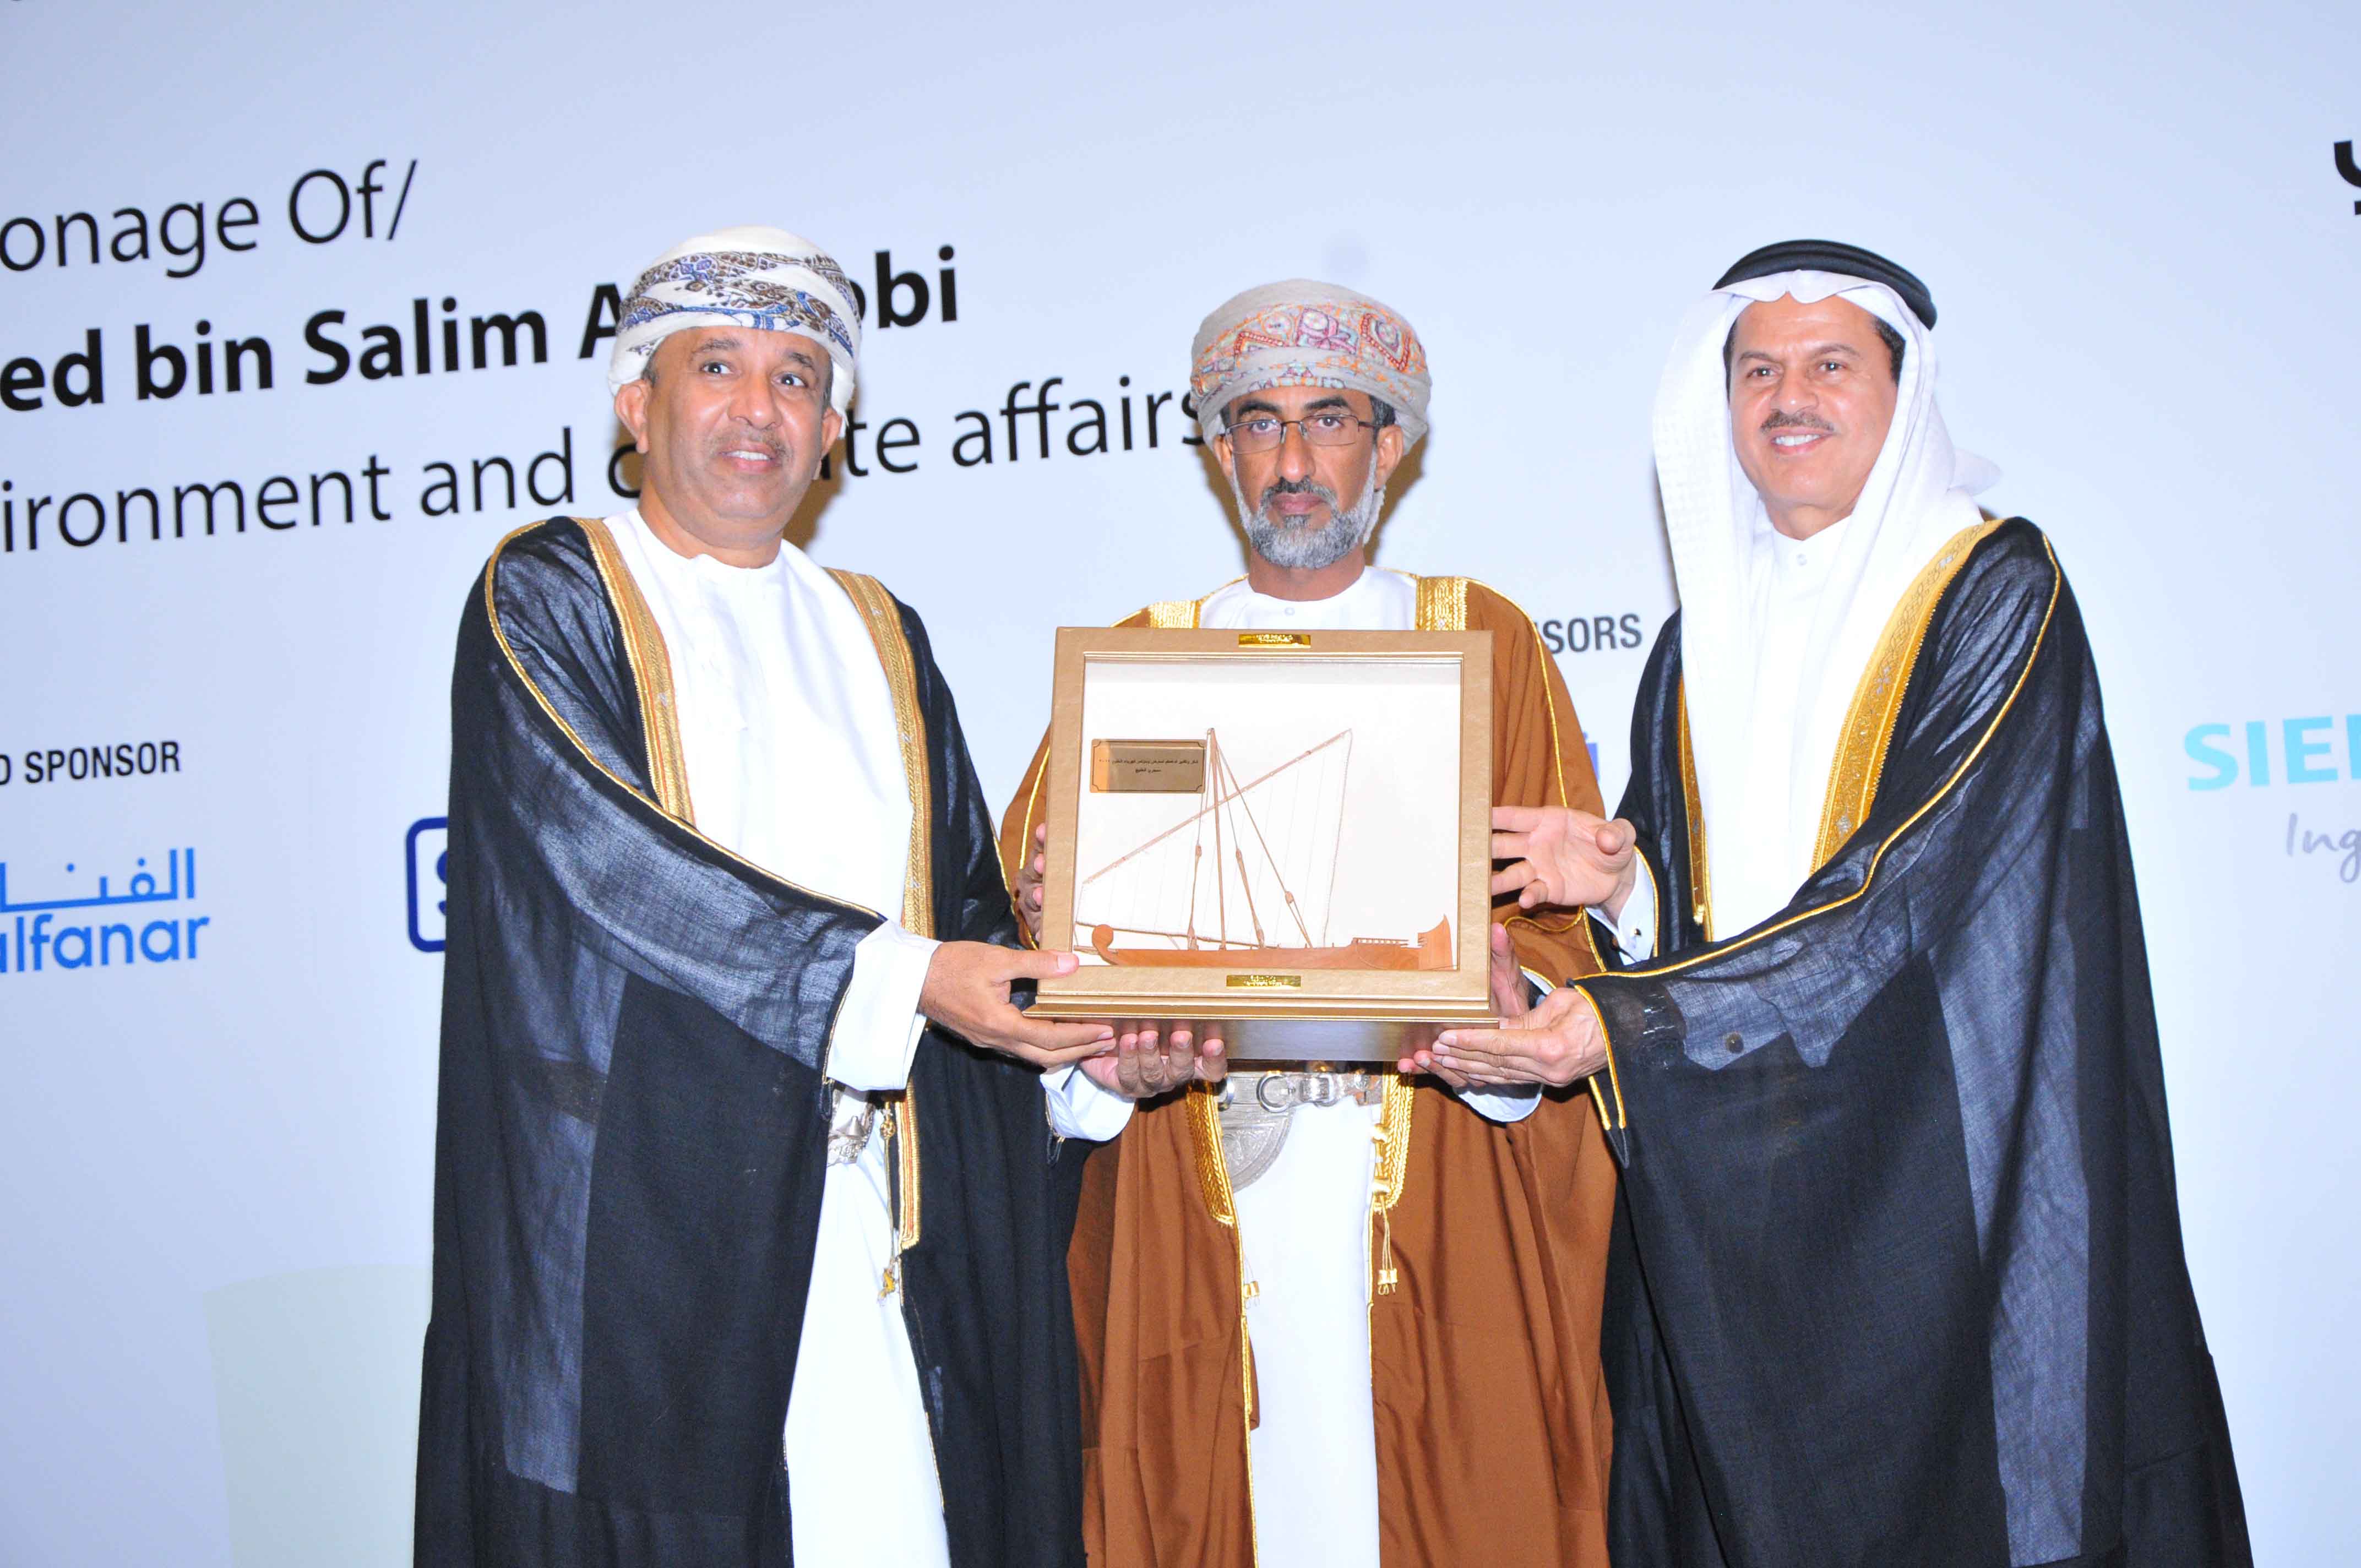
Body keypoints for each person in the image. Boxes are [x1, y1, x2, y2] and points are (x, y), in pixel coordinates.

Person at [1430, 240, 2252, 1566]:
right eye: (1756, 371)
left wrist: (1620, 1024)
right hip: (1739, 1191)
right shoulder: (1695, 639)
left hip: (1932, 1181)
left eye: (1827, 364)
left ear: (1899, 389)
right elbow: (1716, 919)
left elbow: (1906, 891)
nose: (1787, 397)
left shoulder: (1992, 587)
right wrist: (1628, 888)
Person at [414, 226, 1111, 1567]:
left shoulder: (878, 630)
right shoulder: (549, 593)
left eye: (797, 378)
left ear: (833, 431)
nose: (758, 407)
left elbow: (966, 922)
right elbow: (620, 875)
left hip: (871, 1232)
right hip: (643, 1260)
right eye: (718, 365)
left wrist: (1088, 1045)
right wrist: (910, 976)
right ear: (636, 404)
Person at [1001, 280, 1618, 1567]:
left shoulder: (1485, 641)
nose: (1290, 461)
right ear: (1218, 450)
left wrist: (1503, 1011)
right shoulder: (1139, 666)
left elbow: (1565, 948)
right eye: (1257, 423)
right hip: (1205, 1208)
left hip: (1437, 1207)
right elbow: (1033, 973)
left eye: (1328, 419)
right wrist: (1102, 1046)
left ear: (1388, 445)